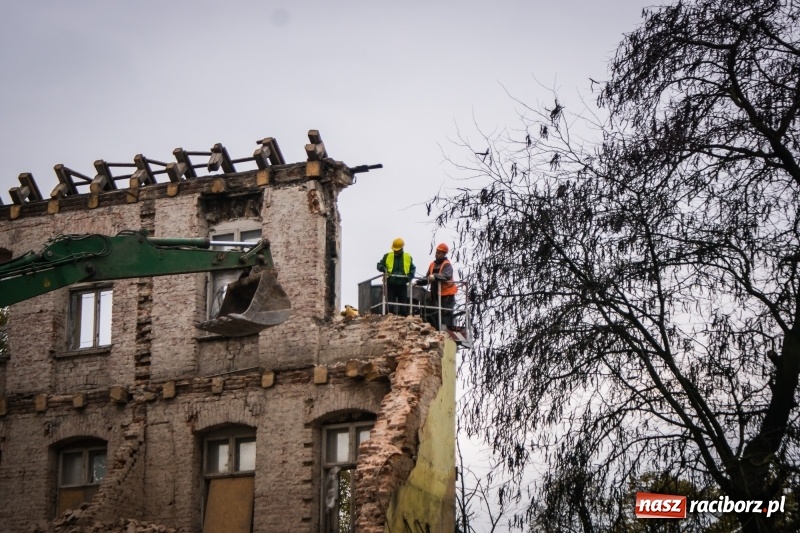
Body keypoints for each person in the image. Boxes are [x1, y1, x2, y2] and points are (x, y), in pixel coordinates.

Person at [416, 243, 457, 329]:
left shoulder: (447, 264)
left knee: (445, 315)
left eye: (440, 253)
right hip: (435, 295)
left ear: (444, 254)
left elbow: (447, 275)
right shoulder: (432, 264)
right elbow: (427, 278)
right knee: (434, 313)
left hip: (447, 295)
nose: (437, 254)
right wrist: (418, 282)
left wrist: (435, 276)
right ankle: (435, 329)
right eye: (437, 252)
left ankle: (445, 330)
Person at [376, 238, 416, 316]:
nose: (396, 251)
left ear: (402, 248)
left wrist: (409, 277)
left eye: (397, 250)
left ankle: (404, 321)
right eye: (395, 250)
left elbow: (412, 269)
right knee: (390, 307)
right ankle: (390, 320)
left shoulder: (407, 257)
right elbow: (379, 265)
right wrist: (383, 268)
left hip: (402, 285)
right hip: (391, 284)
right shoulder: (387, 256)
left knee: (404, 308)